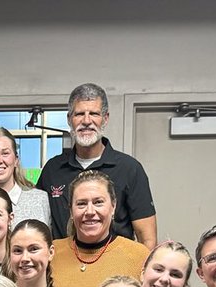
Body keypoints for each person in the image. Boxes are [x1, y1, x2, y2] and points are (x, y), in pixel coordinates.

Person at [37, 84, 157, 248]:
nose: (87, 121)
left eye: (94, 113)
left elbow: (147, 239)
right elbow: (39, 229)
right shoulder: (52, 170)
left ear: (105, 118)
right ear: (69, 119)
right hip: (63, 268)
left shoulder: (130, 169)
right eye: (79, 114)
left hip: (116, 269)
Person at [51, 170, 151, 287]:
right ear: (71, 211)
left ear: (113, 207)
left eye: (98, 202)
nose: (90, 211)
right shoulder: (51, 253)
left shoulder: (138, 256)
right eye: (81, 204)